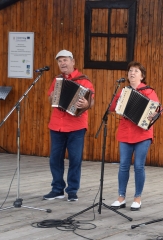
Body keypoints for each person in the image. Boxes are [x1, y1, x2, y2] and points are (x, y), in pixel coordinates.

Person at [43, 49, 95, 202]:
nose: (62, 63)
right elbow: (50, 99)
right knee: (55, 159)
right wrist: (52, 97)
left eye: (65, 60)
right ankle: (57, 189)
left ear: (73, 62)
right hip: (57, 125)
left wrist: (86, 103)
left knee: (75, 159)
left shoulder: (84, 81)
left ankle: (72, 190)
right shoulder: (57, 80)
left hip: (76, 126)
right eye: (60, 61)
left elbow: (91, 102)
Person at [109, 61, 160, 211]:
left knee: (139, 166)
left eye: (136, 71)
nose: (132, 73)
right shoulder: (123, 90)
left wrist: (153, 114)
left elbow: (158, 110)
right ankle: (121, 197)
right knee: (123, 165)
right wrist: (118, 99)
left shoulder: (149, 92)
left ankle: (137, 198)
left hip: (142, 133)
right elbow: (112, 108)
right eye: (130, 71)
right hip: (125, 132)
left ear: (142, 76)